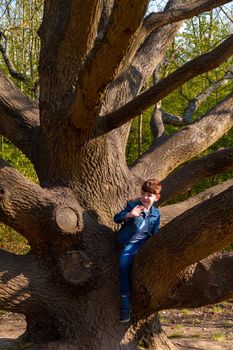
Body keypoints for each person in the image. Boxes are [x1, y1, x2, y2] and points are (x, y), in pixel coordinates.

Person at [114, 179, 161, 323]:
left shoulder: (156, 214)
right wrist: (130, 215)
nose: (145, 197)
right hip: (130, 243)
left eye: (150, 195)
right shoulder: (133, 206)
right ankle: (125, 303)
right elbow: (116, 218)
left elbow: (155, 232)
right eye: (143, 193)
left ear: (156, 198)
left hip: (144, 243)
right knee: (123, 265)